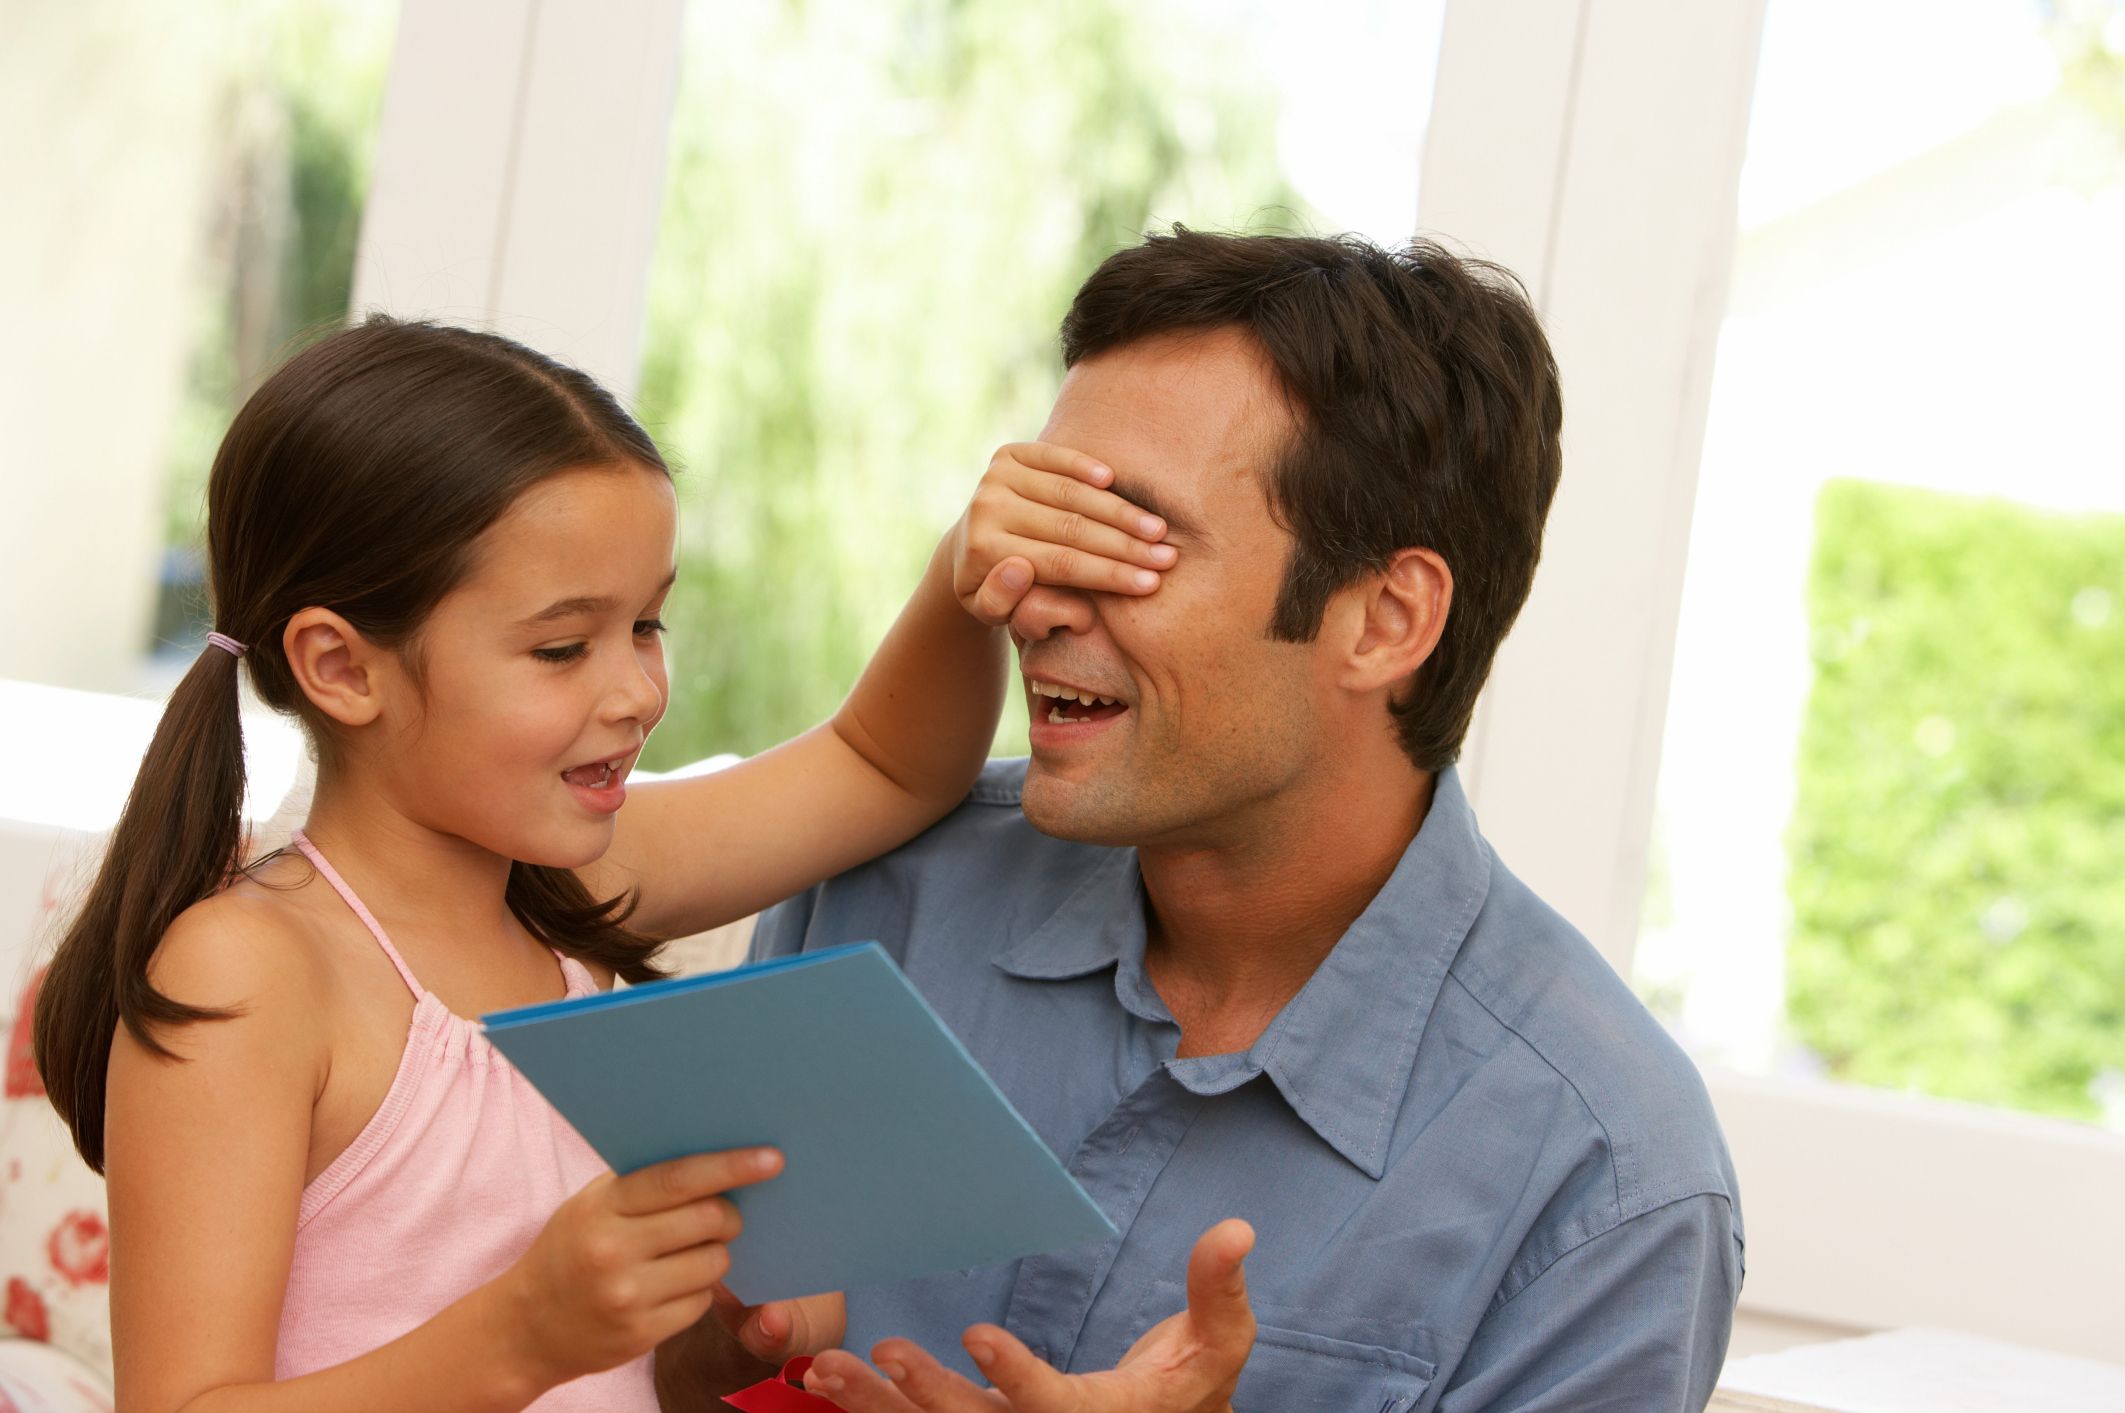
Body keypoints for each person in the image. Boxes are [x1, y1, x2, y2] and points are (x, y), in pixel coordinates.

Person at [641, 231, 1744, 1412]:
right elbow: (678, 1379)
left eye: (1127, 544)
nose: (1027, 597)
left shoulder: (1606, 1180)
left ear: (1382, 619)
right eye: (1040, 520)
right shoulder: (882, 887)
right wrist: (713, 1345)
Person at [30, 316, 1177, 1412]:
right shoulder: (256, 972)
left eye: (647, 627)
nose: (636, 692)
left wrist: (962, 582)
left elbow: (882, 768)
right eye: (563, 646)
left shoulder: (567, 892)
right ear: (340, 667)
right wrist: (524, 1329)